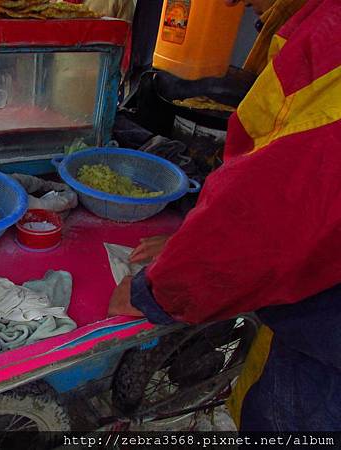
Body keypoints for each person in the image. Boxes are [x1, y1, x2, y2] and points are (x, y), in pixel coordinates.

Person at [108, 0, 341, 432]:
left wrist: (160, 290)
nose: (240, 6)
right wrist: (189, 240)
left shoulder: (331, 41)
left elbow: (271, 210)